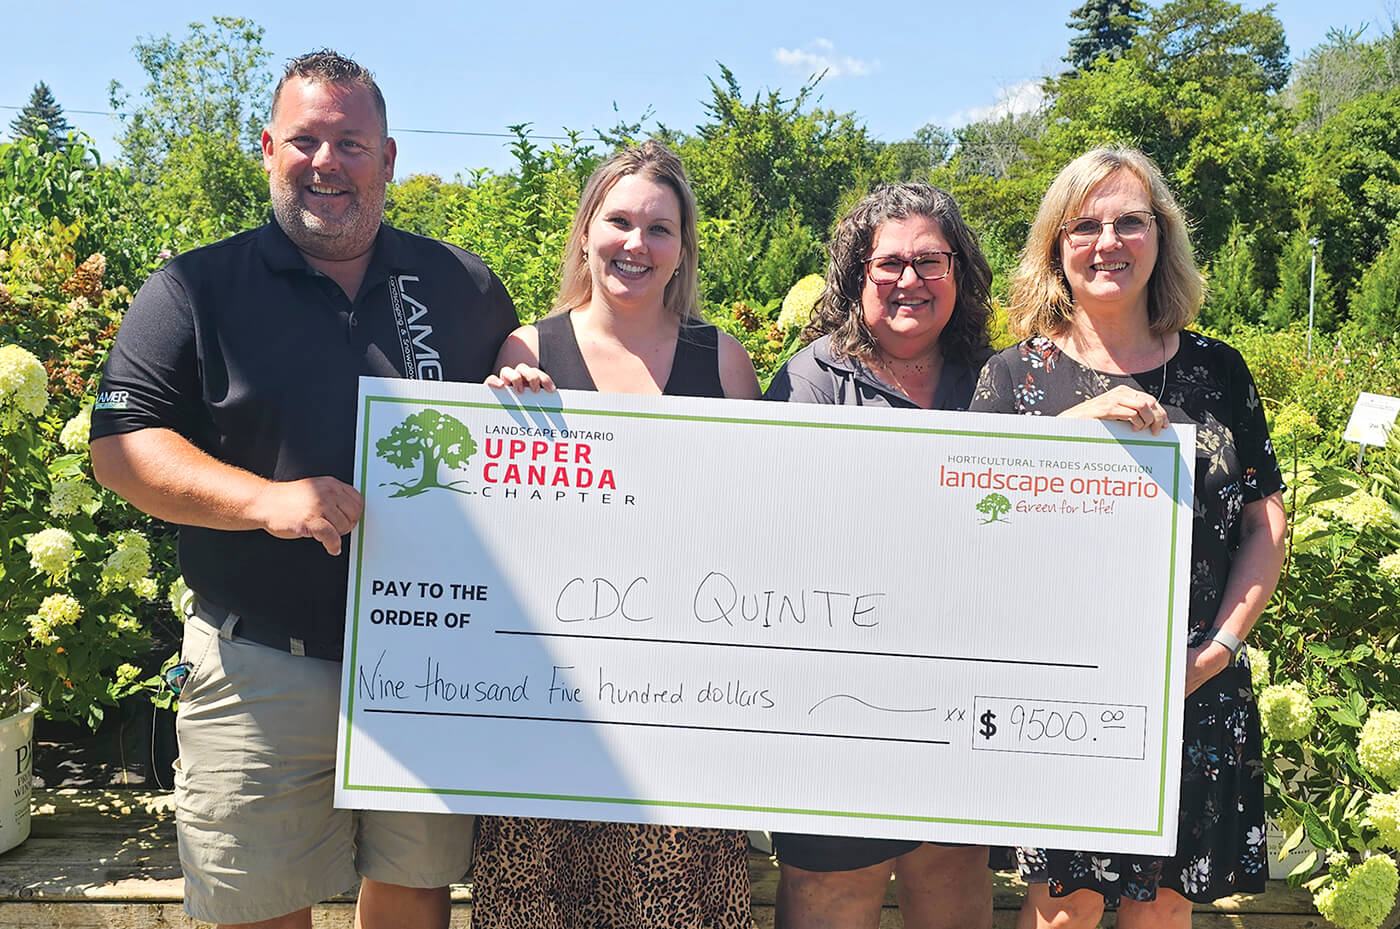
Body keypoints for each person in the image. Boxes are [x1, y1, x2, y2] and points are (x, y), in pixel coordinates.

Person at [88, 51, 518, 929]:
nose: (327, 163)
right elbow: (121, 448)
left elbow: (524, 382)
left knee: (412, 898)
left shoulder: (462, 285)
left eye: (351, 144)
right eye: (305, 141)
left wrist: (523, 363)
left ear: (389, 158)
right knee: (259, 908)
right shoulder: (194, 288)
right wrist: (265, 501)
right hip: (262, 668)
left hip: (425, 663)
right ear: (267, 149)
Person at [970, 147, 1288, 929]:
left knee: (1163, 913)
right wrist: (1068, 432)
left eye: (1129, 221)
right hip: (1062, 694)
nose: (1107, 240)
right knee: (1063, 915)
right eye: (1085, 224)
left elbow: (1265, 522)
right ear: (1057, 245)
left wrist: (1214, 652)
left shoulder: (1220, 372)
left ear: (1161, 237)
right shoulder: (1015, 379)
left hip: (1192, 683)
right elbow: (974, 522)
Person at [473, 140, 760, 929]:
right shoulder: (528, 351)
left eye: (659, 229)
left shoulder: (725, 363)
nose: (636, 244)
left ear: (682, 249)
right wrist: (501, 414)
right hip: (550, 700)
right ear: (588, 230)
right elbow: (498, 520)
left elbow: (757, 530)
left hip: (681, 703)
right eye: (620, 221)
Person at [763, 183, 995, 929]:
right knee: (835, 894)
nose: (909, 279)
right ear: (855, 276)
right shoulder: (810, 380)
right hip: (840, 702)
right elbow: (777, 533)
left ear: (960, 274)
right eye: (888, 262)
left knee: (953, 883)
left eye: (931, 261)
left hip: (963, 694)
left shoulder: (998, 383)